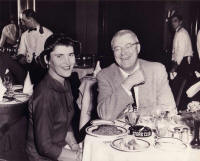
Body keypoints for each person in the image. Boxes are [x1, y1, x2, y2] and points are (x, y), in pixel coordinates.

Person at [97, 29, 176, 121]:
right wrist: (128, 83)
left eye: (128, 46)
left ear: (138, 48)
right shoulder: (105, 76)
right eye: (117, 48)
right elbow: (105, 115)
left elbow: (169, 110)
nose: (123, 53)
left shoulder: (157, 70)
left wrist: (131, 114)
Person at [26, 34, 82, 161]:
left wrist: (74, 146)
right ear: (47, 60)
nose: (67, 62)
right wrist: (79, 157)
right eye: (59, 56)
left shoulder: (64, 82)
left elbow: (65, 121)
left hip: (60, 148)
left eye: (71, 55)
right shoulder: (45, 95)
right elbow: (44, 147)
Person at [17, 9, 53, 85]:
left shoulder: (49, 34)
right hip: (29, 70)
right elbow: (21, 51)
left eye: (24, 21)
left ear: (31, 19)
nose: (22, 23)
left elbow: (52, 54)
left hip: (45, 71)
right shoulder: (24, 35)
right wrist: (21, 57)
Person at [169, 14, 193, 109]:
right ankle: (176, 106)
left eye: (175, 21)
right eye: (172, 21)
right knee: (176, 87)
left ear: (180, 22)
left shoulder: (182, 33)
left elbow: (181, 52)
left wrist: (175, 66)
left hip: (182, 63)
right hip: (180, 62)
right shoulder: (178, 32)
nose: (173, 23)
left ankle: (177, 108)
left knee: (179, 88)